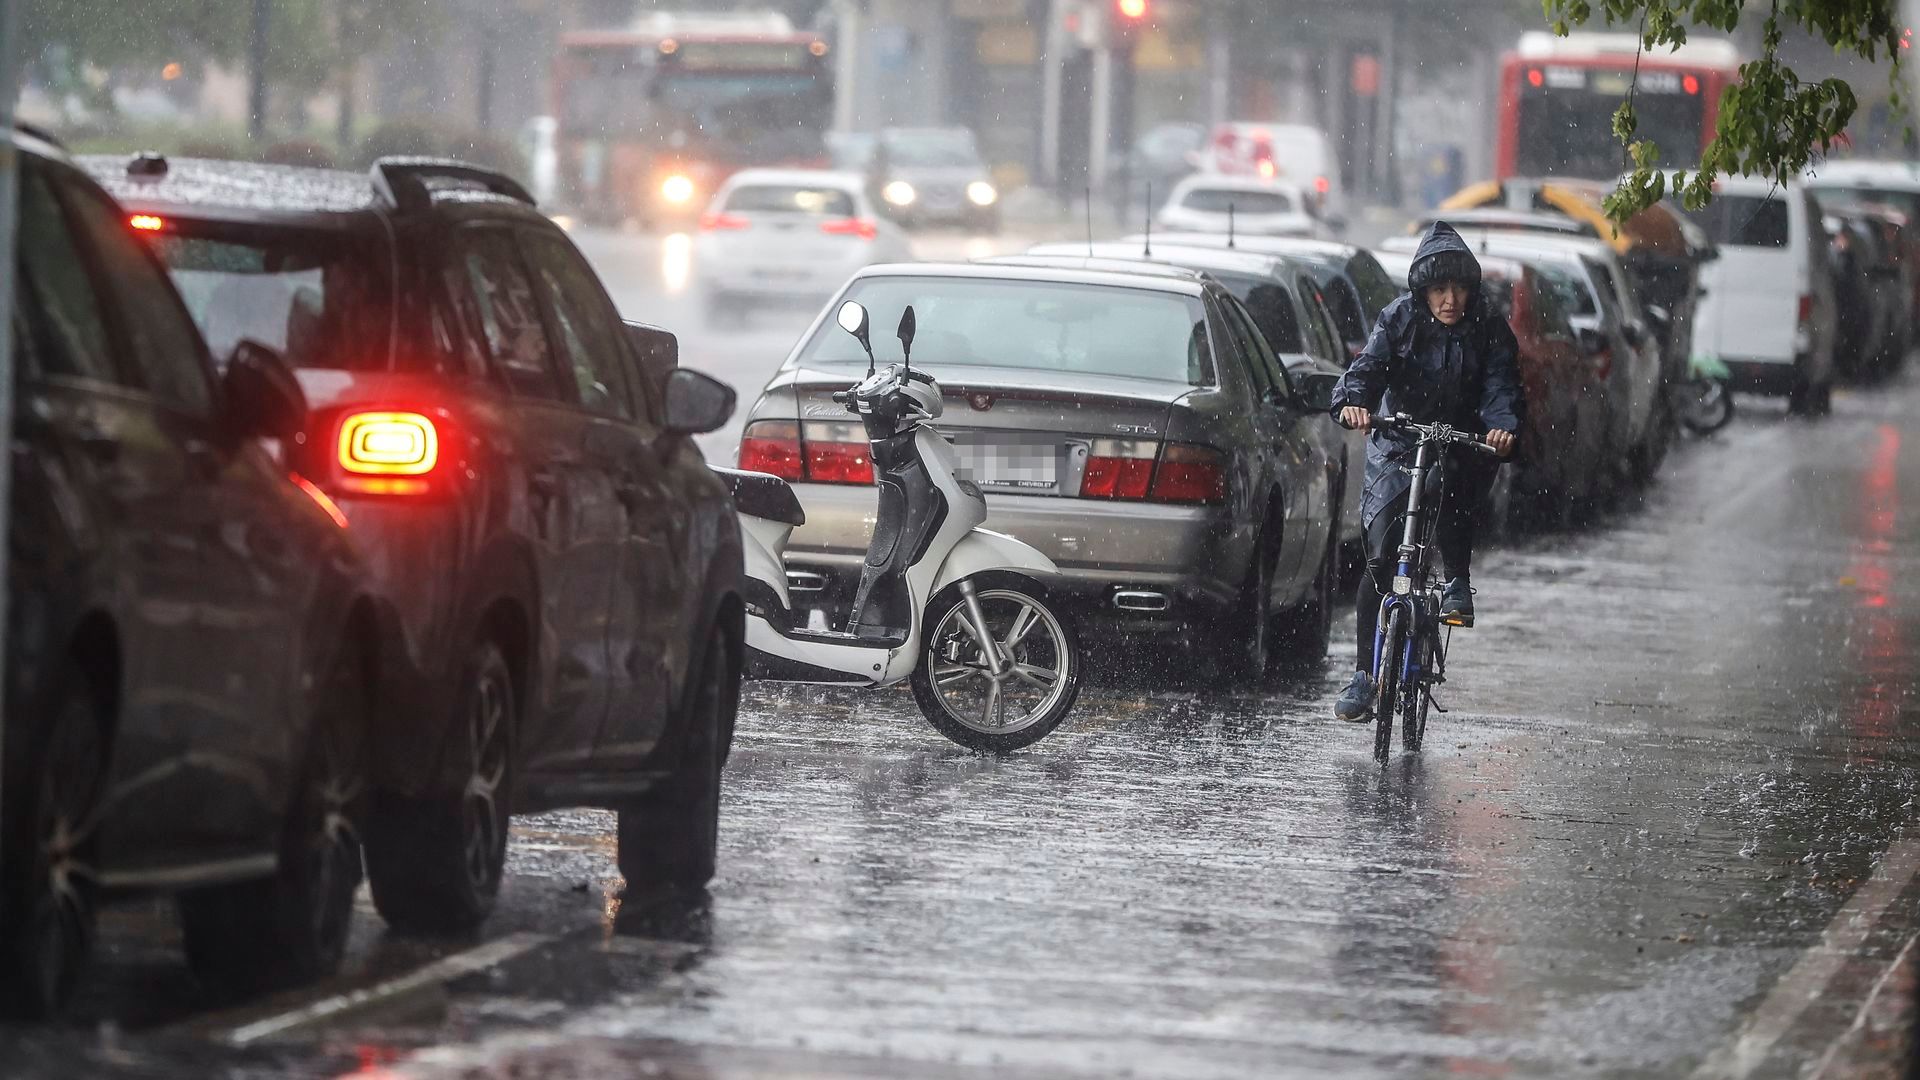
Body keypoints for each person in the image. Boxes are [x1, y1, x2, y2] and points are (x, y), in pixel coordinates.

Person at [1330, 221, 1524, 723]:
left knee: (1458, 502)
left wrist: (1500, 428)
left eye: (1459, 287)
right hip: (1399, 441)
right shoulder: (1399, 318)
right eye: (1440, 288)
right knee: (1380, 554)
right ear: (1423, 289)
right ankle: (1363, 676)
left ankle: (1457, 582)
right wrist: (1355, 403)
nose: (1450, 299)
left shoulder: (1488, 326)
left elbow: (1501, 386)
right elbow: (1366, 370)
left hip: (1462, 442)